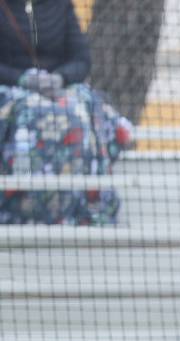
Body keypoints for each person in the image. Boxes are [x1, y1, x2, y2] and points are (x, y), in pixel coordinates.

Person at [0, 0, 131, 224]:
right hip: (11, 88)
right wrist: (23, 80)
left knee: (79, 108)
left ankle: (86, 204)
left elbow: (81, 59)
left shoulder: (60, 5)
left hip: (59, 88)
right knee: (30, 113)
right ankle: (19, 204)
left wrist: (59, 78)